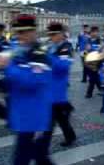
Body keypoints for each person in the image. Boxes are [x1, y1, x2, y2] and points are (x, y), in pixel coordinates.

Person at [0, 14, 54, 165]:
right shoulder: (17, 51)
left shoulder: (40, 54)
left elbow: (34, 81)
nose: (19, 36)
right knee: (39, 157)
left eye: (23, 32)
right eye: (17, 32)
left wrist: (7, 67)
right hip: (22, 113)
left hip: (35, 115)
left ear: (33, 31)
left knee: (23, 158)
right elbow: (10, 82)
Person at [41, 22, 77, 154]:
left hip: (58, 88)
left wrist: (47, 57)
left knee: (49, 121)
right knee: (60, 118)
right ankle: (70, 136)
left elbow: (64, 66)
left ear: (61, 34)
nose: (51, 37)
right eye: (50, 34)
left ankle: (43, 147)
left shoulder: (65, 47)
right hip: (49, 88)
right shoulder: (50, 46)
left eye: (54, 34)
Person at [85, 26, 103, 98]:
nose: (94, 33)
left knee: (92, 78)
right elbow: (87, 50)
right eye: (93, 32)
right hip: (90, 61)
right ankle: (101, 88)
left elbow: (101, 50)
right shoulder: (88, 40)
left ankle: (89, 93)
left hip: (97, 61)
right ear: (91, 33)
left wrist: (92, 49)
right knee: (95, 76)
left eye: (96, 32)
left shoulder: (100, 40)